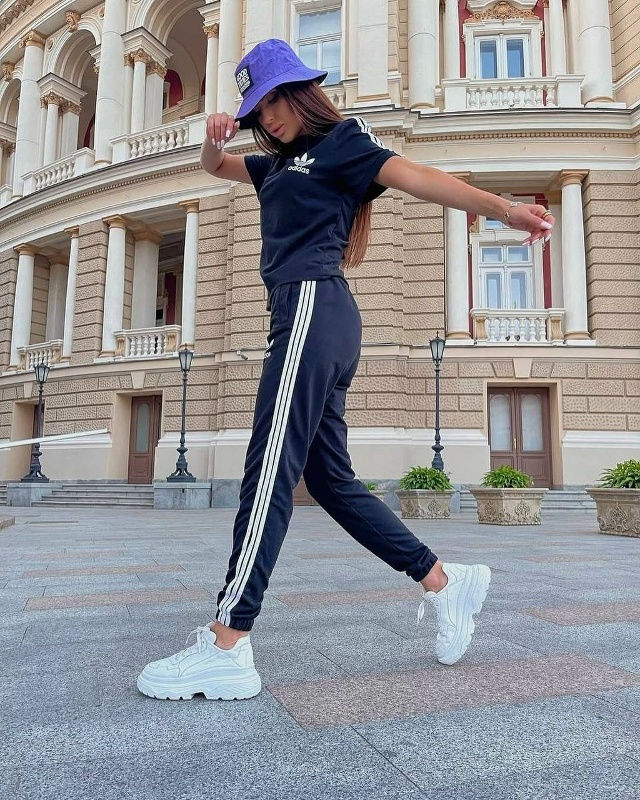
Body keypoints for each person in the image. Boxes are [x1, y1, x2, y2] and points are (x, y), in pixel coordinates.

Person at [137, 40, 554, 701]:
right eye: (257, 110)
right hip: (301, 314)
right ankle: (443, 580)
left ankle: (228, 641)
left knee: (269, 470)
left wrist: (504, 208)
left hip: (313, 305)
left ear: (300, 92)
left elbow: (416, 175)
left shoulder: (341, 143)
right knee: (329, 480)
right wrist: (213, 142)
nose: (268, 117)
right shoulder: (274, 165)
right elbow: (218, 168)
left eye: (274, 101)